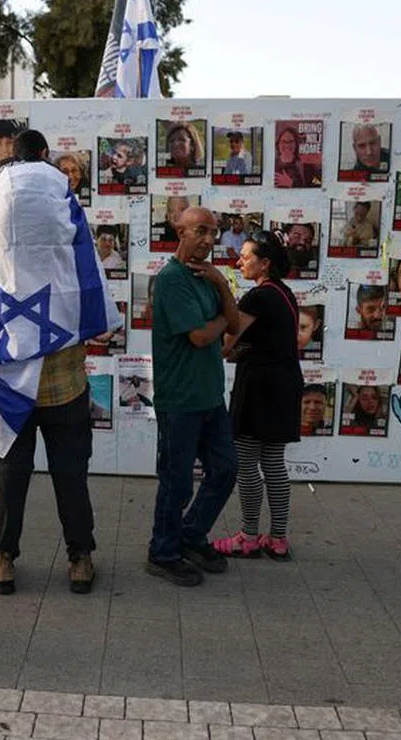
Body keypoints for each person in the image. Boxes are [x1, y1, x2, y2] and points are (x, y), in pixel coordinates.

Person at [0, 129, 103, 596]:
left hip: (10, 382)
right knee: (71, 475)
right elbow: (92, 296)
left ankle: (3, 559)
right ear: (45, 158)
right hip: (66, 381)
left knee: (10, 476)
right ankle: (80, 558)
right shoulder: (70, 219)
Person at [147, 206, 240, 586]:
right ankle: (163, 551)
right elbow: (202, 336)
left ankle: (189, 534)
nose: (208, 239)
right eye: (200, 230)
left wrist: (221, 283)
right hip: (180, 400)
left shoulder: (207, 276)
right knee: (177, 481)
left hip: (210, 396)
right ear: (179, 231)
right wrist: (222, 322)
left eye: (214, 232)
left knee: (225, 469)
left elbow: (236, 324)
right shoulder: (171, 279)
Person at [213, 232, 302, 562]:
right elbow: (267, 340)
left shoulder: (258, 297)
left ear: (264, 263)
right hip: (284, 384)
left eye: (246, 256)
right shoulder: (285, 293)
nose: (239, 262)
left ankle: (248, 536)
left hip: (260, 388)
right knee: (274, 463)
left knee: (247, 463)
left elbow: (226, 342)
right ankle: (277, 538)